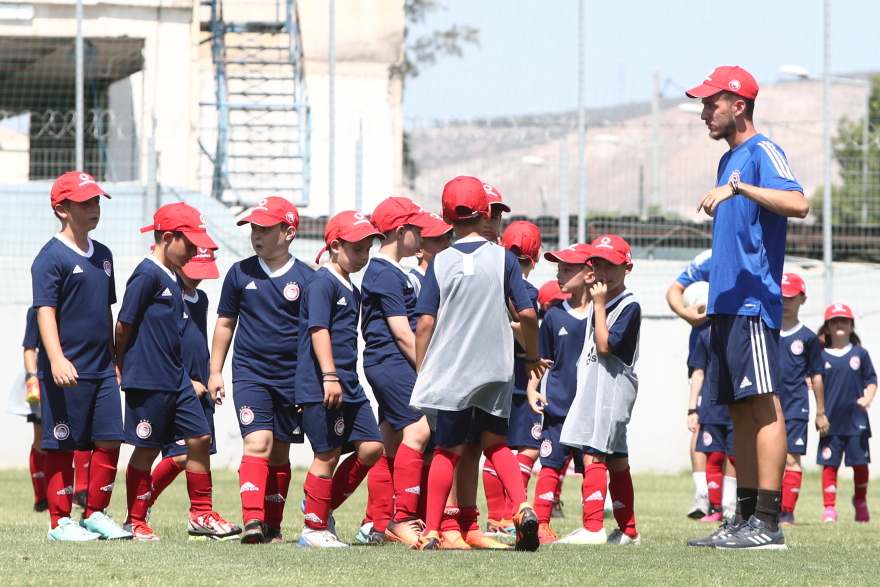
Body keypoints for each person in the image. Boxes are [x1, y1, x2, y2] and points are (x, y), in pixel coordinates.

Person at [684, 66, 809, 550]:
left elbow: (798, 204)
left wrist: (739, 187)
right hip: (724, 307)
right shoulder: (728, 160)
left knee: (764, 405)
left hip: (754, 305)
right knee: (738, 412)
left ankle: (770, 524)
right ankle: (743, 519)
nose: (702, 113)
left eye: (710, 103)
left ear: (738, 104)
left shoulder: (762, 151)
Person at [409, 176, 547, 552]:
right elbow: (528, 314)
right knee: (496, 444)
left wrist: (424, 370)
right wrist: (532, 356)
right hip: (496, 369)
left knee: (446, 449)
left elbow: (424, 323)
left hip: (453, 371)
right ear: (485, 213)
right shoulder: (503, 259)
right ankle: (522, 506)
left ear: (445, 215)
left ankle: (434, 530)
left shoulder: (439, 262)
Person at [117, 202, 240, 541]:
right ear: (168, 238)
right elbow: (124, 324)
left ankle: (201, 513)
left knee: (200, 438)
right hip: (150, 379)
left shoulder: (173, 277)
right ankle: (135, 520)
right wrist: (120, 363)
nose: (194, 251)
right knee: (147, 448)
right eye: (189, 243)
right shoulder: (147, 273)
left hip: (177, 379)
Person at [31, 171, 130, 541]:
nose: (94, 209)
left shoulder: (103, 255)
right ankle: (59, 522)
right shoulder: (49, 257)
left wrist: (115, 356)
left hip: (102, 368)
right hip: (65, 370)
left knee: (109, 439)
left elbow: (105, 310)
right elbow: (45, 311)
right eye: (85, 202)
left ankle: (96, 513)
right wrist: (55, 359)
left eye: (97, 201)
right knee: (62, 442)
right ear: (61, 209)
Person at [208, 197, 313, 544]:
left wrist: (308, 384)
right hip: (251, 374)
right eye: (253, 227)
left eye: (265, 228)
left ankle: (272, 526)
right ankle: (252, 522)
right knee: (258, 441)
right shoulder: (240, 273)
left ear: (289, 232)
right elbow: (225, 323)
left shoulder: (308, 279)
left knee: (281, 451)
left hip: (292, 379)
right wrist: (215, 371)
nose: (256, 234)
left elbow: (315, 336)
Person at [295, 211, 386, 548]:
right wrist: (329, 376)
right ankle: (314, 530)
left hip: (350, 382)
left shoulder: (352, 286)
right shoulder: (322, 282)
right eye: (356, 249)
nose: (363, 256)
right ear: (334, 245)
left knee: (372, 446)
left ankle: (319, 505)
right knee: (328, 455)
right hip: (324, 383)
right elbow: (318, 329)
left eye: (367, 249)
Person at [360, 197, 434, 545]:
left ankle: (378, 523)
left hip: (390, 362)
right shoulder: (383, 272)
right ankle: (402, 520)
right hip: (391, 362)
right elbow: (402, 331)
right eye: (416, 229)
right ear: (400, 230)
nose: (422, 234)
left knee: (388, 440)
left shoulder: (393, 271)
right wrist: (425, 372)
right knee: (418, 431)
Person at [559, 235, 642, 546]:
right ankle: (628, 530)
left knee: (594, 454)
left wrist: (597, 304)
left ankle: (593, 527)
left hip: (613, 389)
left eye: (612, 265)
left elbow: (606, 348)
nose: (604, 272)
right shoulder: (602, 301)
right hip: (598, 387)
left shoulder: (627, 304)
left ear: (627, 267)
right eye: (598, 264)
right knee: (617, 458)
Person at [146, 248, 222, 531]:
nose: (200, 279)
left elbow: (197, 342)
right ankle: (143, 502)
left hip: (201, 386)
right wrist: (184, 381)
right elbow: (161, 342)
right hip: (176, 385)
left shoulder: (200, 298)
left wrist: (212, 376)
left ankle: (201, 518)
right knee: (181, 453)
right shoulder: (168, 293)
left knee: (200, 450)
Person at [527, 243, 593, 543]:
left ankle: (593, 527)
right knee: (550, 465)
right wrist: (533, 389)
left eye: (568, 268)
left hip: (591, 410)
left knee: (592, 467)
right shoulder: (553, 316)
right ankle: (541, 524)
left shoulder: (602, 314)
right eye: (559, 268)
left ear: (589, 273)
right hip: (558, 409)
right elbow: (543, 361)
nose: (560, 274)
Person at [483, 220, 542, 536]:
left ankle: (497, 517)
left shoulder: (489, 283)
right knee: (528, 447)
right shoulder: (527, 292)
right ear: (535, 257)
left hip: (491, 377)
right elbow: (525, 332)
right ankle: (507, 516)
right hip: (522, 379)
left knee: (495, 446)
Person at [816, 303, 875, 523]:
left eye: (844, 320)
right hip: (830, 421)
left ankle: (860, 500)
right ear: (827, 328)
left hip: (856, 421)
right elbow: (812, 379)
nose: (839, 324)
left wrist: (868, 398)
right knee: (829, 466)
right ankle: (829, 509)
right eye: (834, 321)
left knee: (860, 465)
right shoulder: (820, 356)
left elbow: (871, 381)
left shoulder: (860, 354)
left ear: (852, 326)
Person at [777, 273, 827, 525]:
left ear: (802, 299)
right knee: (768, 457)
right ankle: (767, 508)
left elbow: (816, 376)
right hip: (767, 407)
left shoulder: (808, 338)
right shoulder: (766, 331)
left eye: (791, 297)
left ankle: (787, 511)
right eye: (781, 296)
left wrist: (820, 411)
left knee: (791, 458)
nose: (785, 302)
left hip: (796, 406)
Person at [666, 249, 713, 518]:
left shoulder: (755, 252)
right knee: (701, 421)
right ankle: (702, 496)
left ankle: (732, 498)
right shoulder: (708, 259)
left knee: (737, 423)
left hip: (739, 352)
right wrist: (687, 314)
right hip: (703, 356)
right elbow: (674, 289)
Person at [687, 323, 737, 523]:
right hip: (711, 409)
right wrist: (692, 408)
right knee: (714, 457)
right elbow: (698, 372)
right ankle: (715, 507)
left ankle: (732, 506)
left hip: (736, 409)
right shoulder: (706, 336)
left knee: (735, 458)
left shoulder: (742, 335)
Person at [7, 308, 47, 512]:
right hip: (42, 378)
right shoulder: (37, 311)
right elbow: (29, 348)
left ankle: (80, 494)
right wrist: (32, 380)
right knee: (40, 435)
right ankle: (41, 499)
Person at [408, 213, 453, 297]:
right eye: (438, 240)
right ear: (418, 250)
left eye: (448, 238)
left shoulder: (449, 276)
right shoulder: (413, 281)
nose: (448, 245)